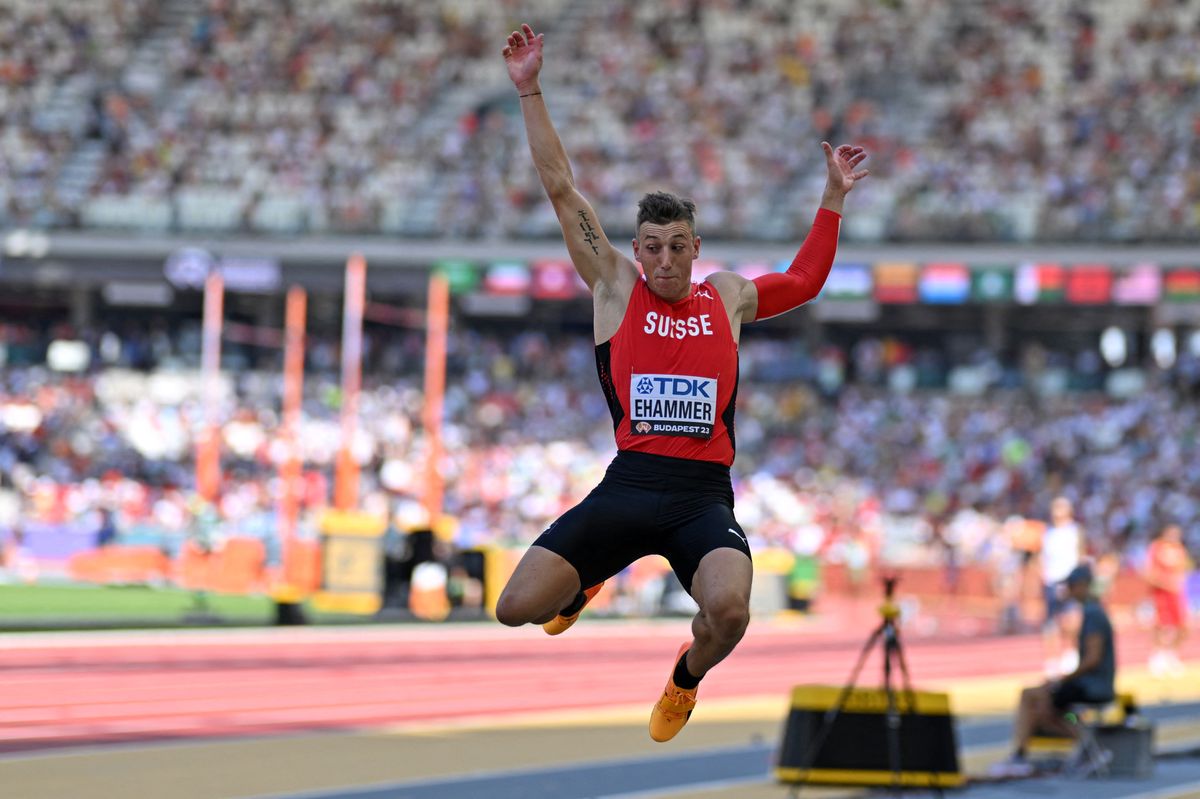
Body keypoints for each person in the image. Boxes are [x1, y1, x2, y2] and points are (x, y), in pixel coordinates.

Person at [493, 24, 868, 743]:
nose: (665, 260)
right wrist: (529, 88)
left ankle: (685, 677)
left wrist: (833, 198)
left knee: (730, 612)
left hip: (701, 497)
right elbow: (561, 188)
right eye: (653, 249)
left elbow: (805, 280)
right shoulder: (614, 286)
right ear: (636, 251)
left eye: (678, 248)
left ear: (696, 248)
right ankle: (581, 583)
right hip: (629, 485)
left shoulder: (726, 297)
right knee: (516, 609)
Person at [991, 564, 1116, 777]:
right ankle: (1085, 745)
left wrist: (1063, 679)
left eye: (1071, 586)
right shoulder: (1092, 612)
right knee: (1042, 705)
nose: (1067, 591)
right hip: (1093, 684)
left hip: (1093, 687)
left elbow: (1093, 659)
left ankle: (1021, 755)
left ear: (1083, 586)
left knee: (1033, 698)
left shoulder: (1093, 614)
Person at [1040, 496, 1085, 676]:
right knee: (1051, 623)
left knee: (1073, 620)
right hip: (1052, 581)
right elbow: (1043, 558)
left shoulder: (1075, 531)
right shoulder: (1048, 533)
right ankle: (1051, 660)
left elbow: (1080, 555)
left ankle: (1071, 654)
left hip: (1071, 581)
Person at [1145, 523, 1192, 677]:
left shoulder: (1179, 550)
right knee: (1162, 626)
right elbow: (1150, 573)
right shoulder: (1156, 548)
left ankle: (1172, 654)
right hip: (1162, 594)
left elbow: (1183, 571)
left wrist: (1177, 585)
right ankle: (1159, 655)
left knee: (1182, 626)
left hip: (1177, 594)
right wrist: (1167, 583)